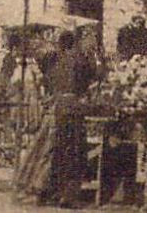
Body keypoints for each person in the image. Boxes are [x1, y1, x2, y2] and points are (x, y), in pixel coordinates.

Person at [44, 28, 97, 208]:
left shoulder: (56, 62)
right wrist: (94, 55)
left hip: (59, 108)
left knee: (59, 152)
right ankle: (69, 196)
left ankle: (55, 192)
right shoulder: (78, 60)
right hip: (74, 109)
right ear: (73, 43)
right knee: (74, 152)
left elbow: (49, 82)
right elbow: (94, 75)